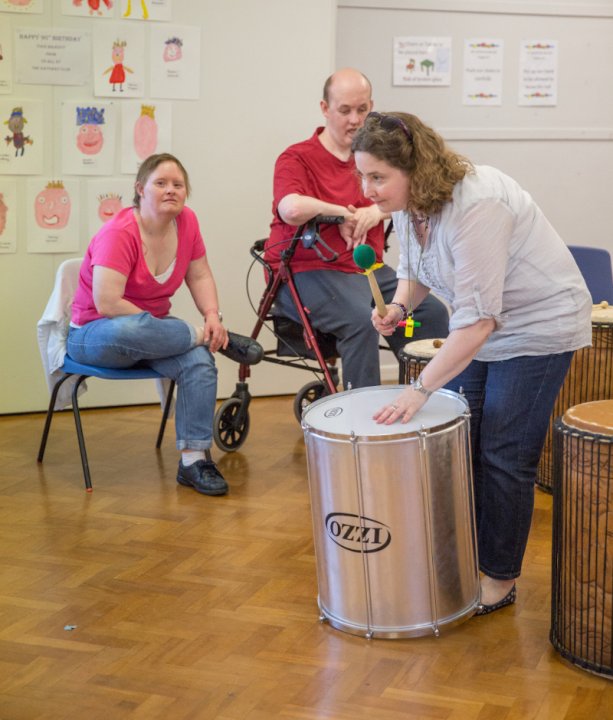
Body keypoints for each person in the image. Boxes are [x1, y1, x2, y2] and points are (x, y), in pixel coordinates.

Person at [352, 111, 592, 614]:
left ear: (414, 167)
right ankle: (469, 556)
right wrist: (398, 307)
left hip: (537, 328)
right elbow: (418, 273)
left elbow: (479, 321)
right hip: (486, 328)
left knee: (504, 453)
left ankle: (499, 578)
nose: (367, 189)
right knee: (465, 439)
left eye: (377, 177)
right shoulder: (407, 202)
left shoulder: (478, 203)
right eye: (363, 176)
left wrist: (418, 389)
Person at [265, 68, 449, 390]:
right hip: (309, 272)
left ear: (372, 107)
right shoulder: (297, 157)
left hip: (366, 272)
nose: (354, 120)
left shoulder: (373, 158)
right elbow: (291, 208)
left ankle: (422, 398)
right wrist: (345, 214)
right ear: (325, 108)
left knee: (430, 313)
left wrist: (375, 213)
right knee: (360, 321)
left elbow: (411, 196)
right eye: (345, 110)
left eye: (362, 110)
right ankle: (362, 423)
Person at [68, 153, 229, 497]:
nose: (171, 190)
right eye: (161, 183)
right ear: (140, 189)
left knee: (199, 362)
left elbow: (199, 273)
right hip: (97, 333)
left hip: (155, 332)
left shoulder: (188, 223)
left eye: (178, 184)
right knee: (133, 329)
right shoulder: (119, 232)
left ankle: (193, 461)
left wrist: (213, 314)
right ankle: (199, 337)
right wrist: (201, 331)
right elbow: (108, 303)